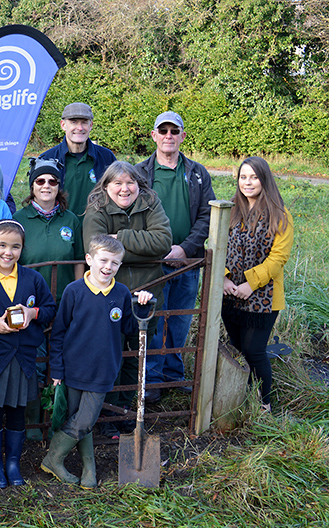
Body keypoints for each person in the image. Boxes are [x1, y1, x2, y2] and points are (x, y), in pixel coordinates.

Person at [43, 235, 153, 489]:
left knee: (85, 420)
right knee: (77, 418)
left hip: (103, 370)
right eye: (103, 260)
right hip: (73, 368)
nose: (108, 267)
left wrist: (142, 307)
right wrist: (57, 369)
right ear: (89, 259)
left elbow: (128, 327)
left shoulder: (122, 293)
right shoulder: (74, 291)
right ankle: (88, 469)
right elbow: (59, 333)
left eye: (115, 263)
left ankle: (53, 458)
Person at [82, 160, 171, 438]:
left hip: (147, 294)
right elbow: (95, 250)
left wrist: (118, 238)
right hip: (109, 295)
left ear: (139, 184)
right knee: (110, 356)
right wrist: (139, 248)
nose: (124, 189)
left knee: (136, 356)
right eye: (117, 183)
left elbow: (163, 242)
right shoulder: (96, 208)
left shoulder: (150, 203)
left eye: (130, 182)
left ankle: (125, 411)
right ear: (106, 186)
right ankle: (105, 413)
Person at [135, 111, 215, 402]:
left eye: (174, 131)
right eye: (163, 130)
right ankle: (151, 379)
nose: (168, 136)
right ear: (154, 136)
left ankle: (174, 375)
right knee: (154, 320)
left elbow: (207, 215)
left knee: (180, 320)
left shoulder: (197, 172)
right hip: (151, 263)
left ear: (183, 136)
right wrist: (154, 247)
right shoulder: (140, 173)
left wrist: (185, 248)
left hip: (187, 262)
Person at [0, 220, 56, 488]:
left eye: (15, 247)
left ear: (22, 249)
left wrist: (34, 313)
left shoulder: (33, 279)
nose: (8, 252)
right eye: (2, 245)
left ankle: (13, 462)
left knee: (18, 410)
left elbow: (51, 308)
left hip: (23, 357)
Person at [12, 158, 85, 440]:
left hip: (64, 304)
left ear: (59, 186)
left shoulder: (71, 220)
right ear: (32, 186)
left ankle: (58, 423)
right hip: (32, 306)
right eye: (40, 181)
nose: (46, 186)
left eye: (52, 181)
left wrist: (79, 294)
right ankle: (32, 426)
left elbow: (79, 260)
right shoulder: (19, 218)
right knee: (35, 360)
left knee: (61, 363)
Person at [222, 157, 293, 412]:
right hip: (231, 293)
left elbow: (278, 258)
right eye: (243, 177)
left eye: (254, 177)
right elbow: (216, 245)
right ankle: (246, 391)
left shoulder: (280, 215)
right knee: (240, 347)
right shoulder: (229, 210)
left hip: (264, 297)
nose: (248, 182)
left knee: (254, 349)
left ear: (264, 179)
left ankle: (264, 404)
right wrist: (224, 277)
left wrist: (250, 285)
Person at [39, 102, 117, 217]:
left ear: (91, 125)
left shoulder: (106, 157)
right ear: (63, 125)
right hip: (60, 228)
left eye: (84, 122)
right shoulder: (46, 159)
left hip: (97, 228)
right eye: (74, 122)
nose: (79, 128)